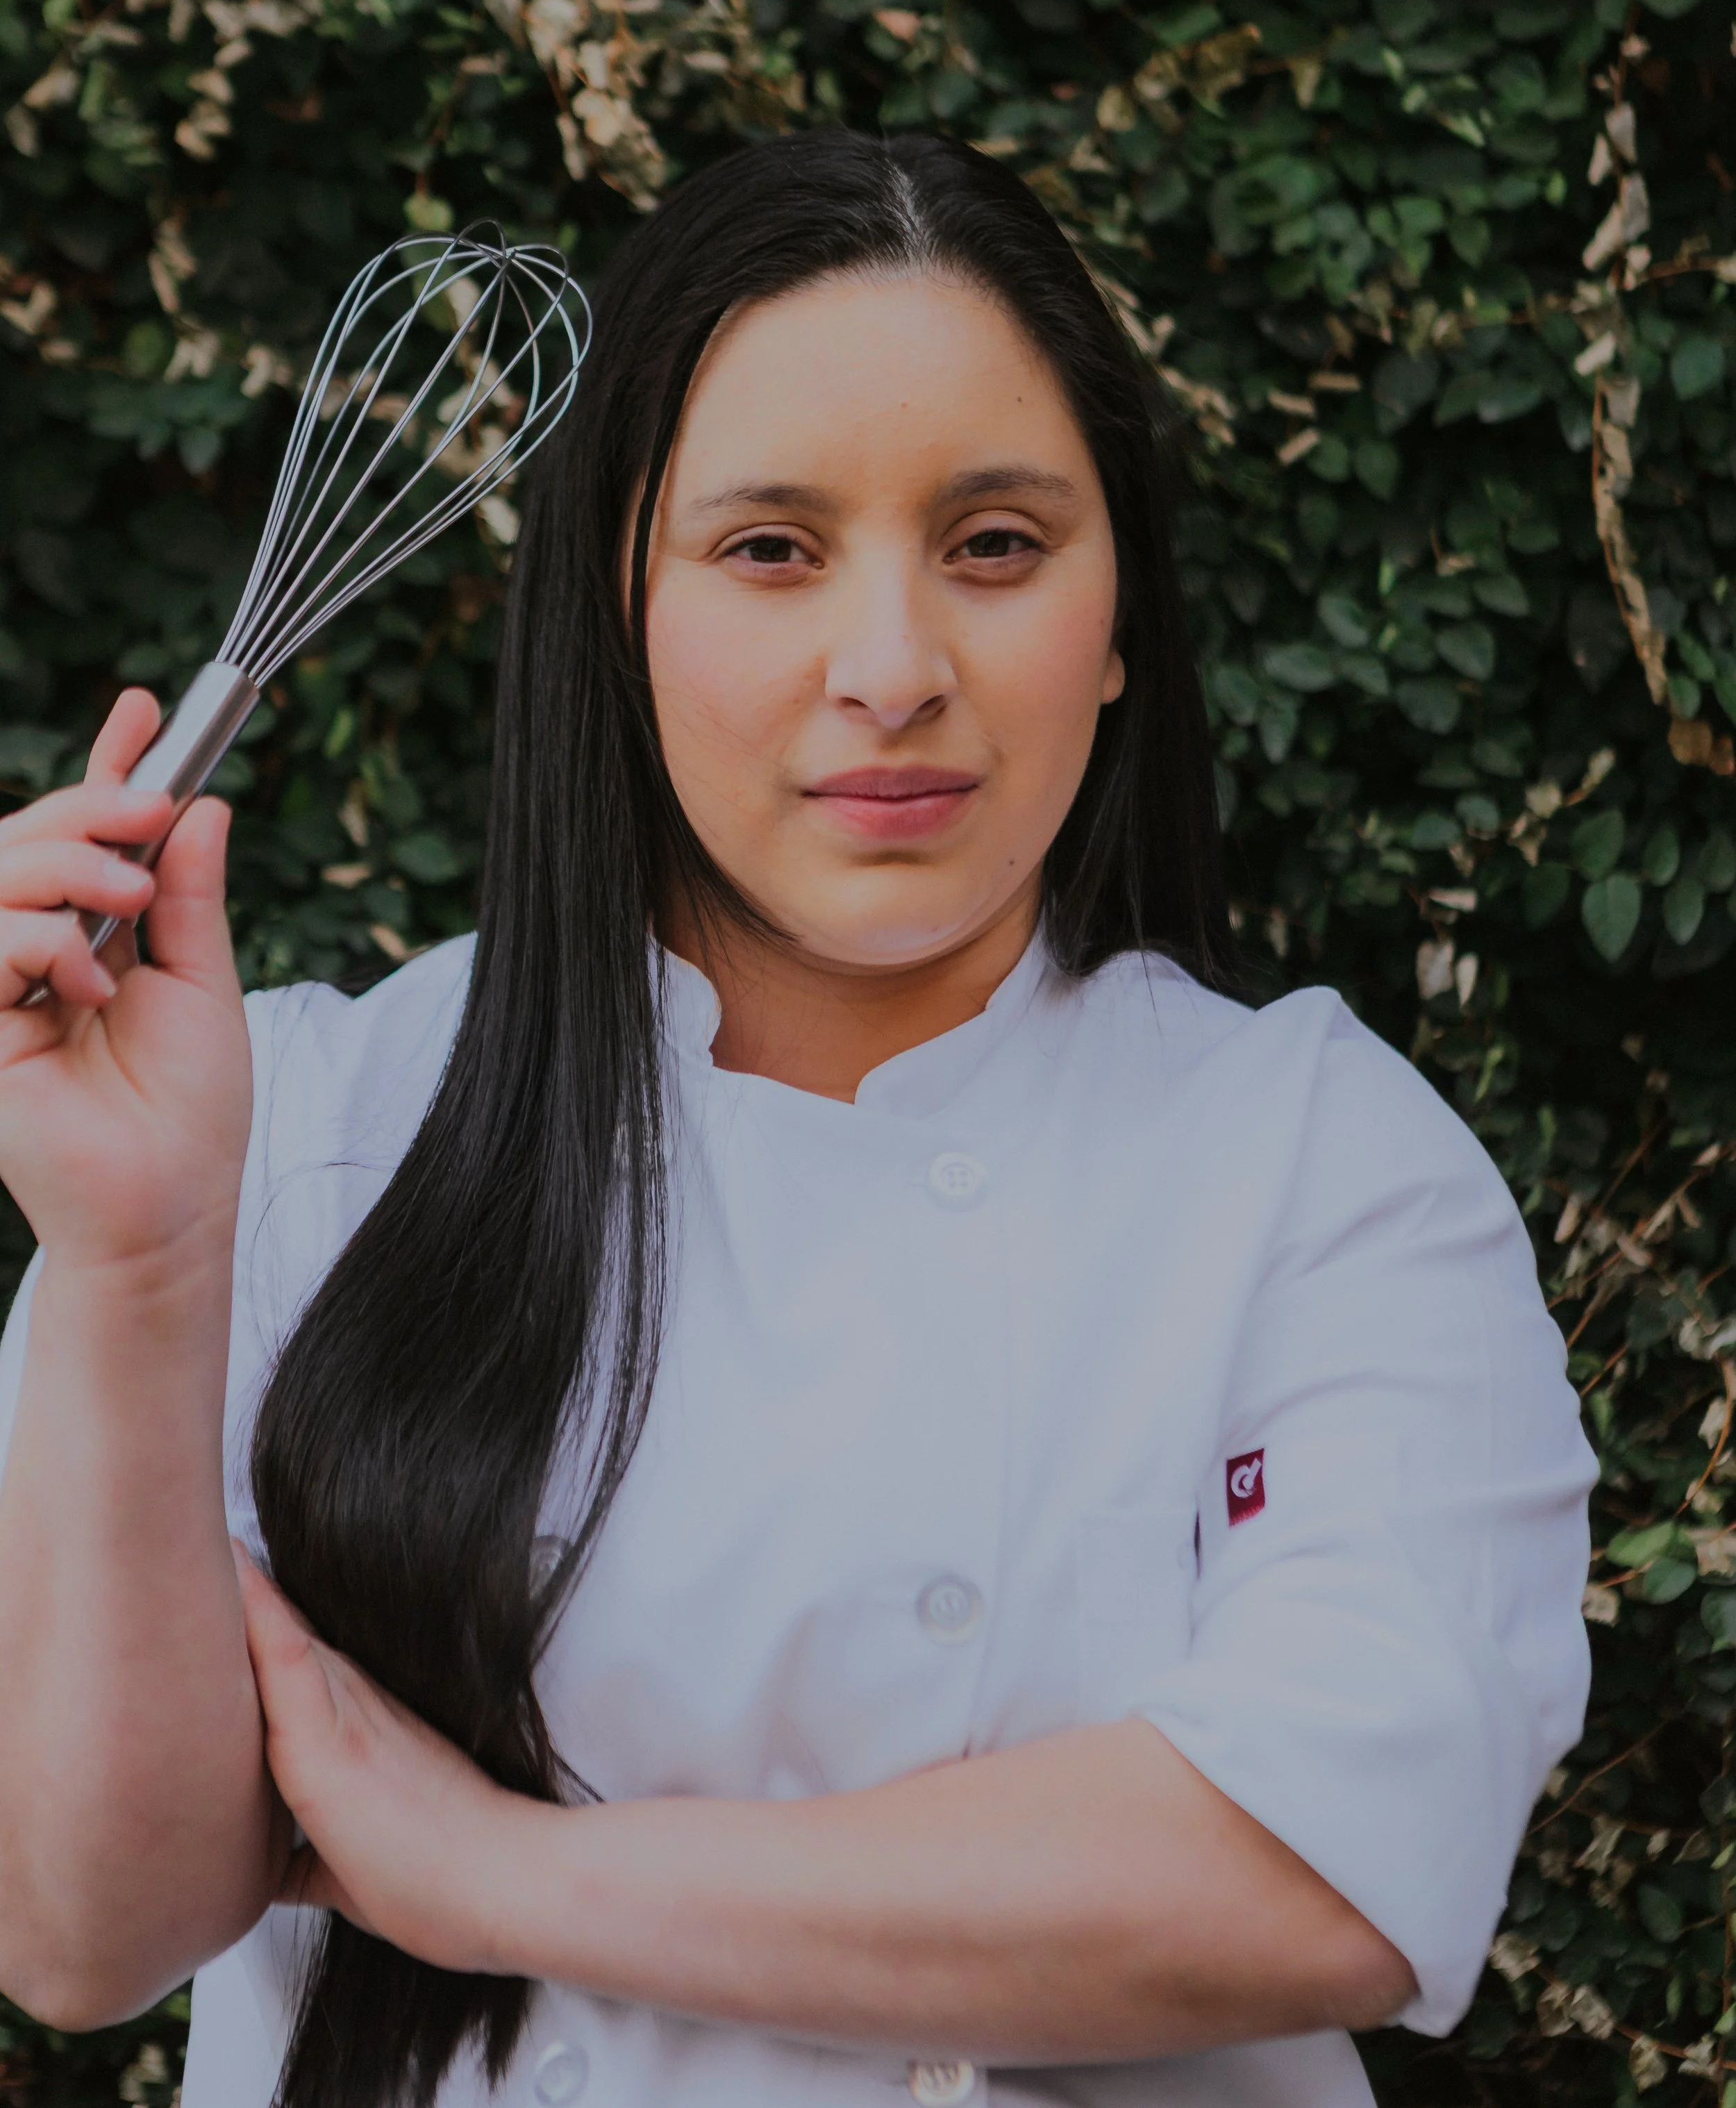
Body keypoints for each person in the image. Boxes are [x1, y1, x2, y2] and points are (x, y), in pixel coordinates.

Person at [0, 132, 1594, 2108]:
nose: (892, 671)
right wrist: (133, 1261)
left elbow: (1318, 1869)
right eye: (769, 548)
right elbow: (85, 1930)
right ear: (621, 610)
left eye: (995, 545)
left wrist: (506, 1875)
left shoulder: (1318, 1168)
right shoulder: (305, 1135)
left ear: (1116, 627)